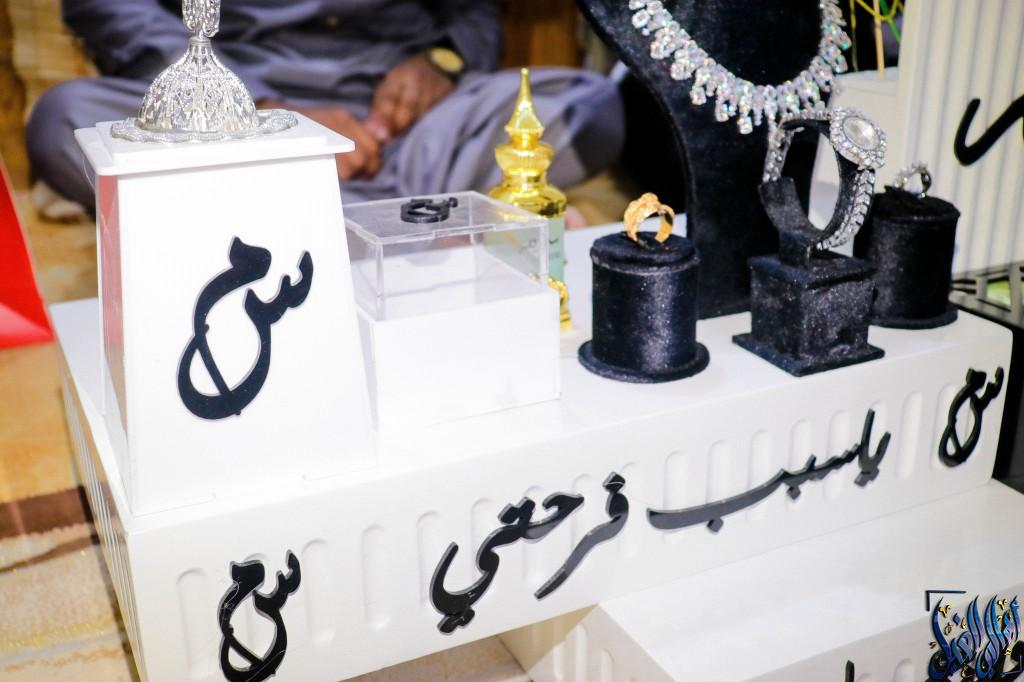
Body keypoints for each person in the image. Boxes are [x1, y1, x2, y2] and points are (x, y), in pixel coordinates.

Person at [26, 0, 624, 213]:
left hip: (403, 128)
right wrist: (257, 114)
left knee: (588, 105)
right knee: (67, 119)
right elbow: (111, 7)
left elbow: (469, 11)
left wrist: (439, 63)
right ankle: (416, 220)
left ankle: (300, 214)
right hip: (231, 111)